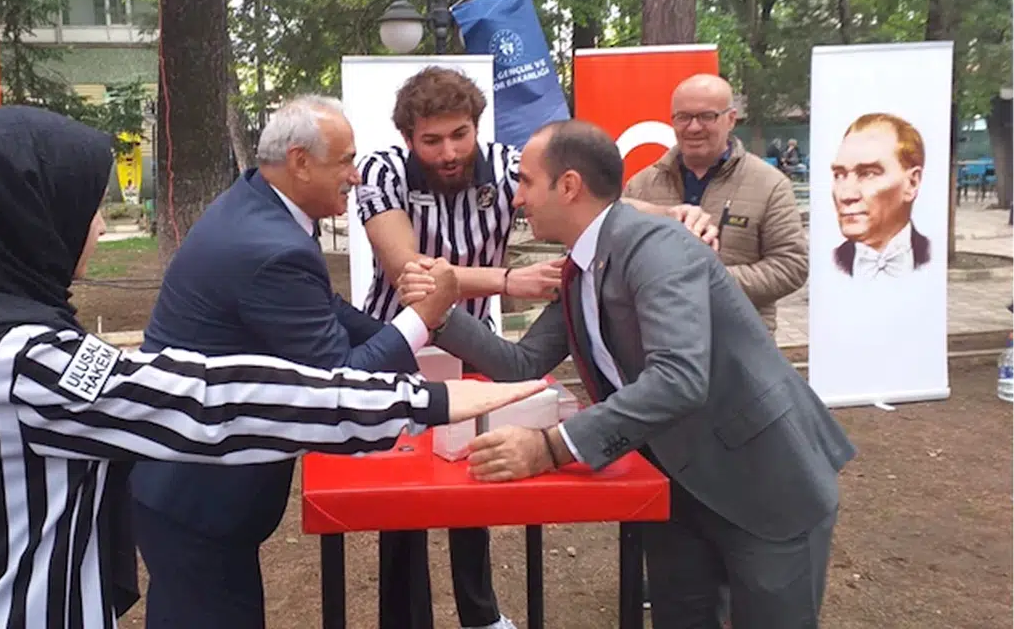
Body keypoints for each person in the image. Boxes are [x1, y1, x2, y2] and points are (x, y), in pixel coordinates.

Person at [0, 105, 546, 629]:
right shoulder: (25, 360)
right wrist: (422, 400)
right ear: (20, 223)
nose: (98, 227)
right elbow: (207, 402)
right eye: (81, 209)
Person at [403, 119, 856, 629]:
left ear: (569, 185)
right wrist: (439, 314)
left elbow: (678, 378)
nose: (517, 197)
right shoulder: (582, 266)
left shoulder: (655, 247)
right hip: (678, 487)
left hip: (765, 483)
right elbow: (522, 363)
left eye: (526, 181)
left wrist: (550, 447)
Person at [356, 66, 720, 629]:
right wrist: (508, 280)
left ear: (477, 126)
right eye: (432, 140)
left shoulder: (507, 166)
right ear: (408, 138)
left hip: (472, 337)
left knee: (473, 464)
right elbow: (412, 272)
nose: (449, 152)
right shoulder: (383, 170)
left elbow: (596, 202)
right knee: (403, 488)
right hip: (399, 338)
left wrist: (674, 214)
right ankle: (403, 619)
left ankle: (480, 614)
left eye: (460, 134)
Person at [128, 96, 467, 629]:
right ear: (300, 162)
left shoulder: (260, 205)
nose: (356, 176)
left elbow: (325, 310)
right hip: (197, 494)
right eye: (346, 161)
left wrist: (424, 338)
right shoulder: (269, 247)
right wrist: (424, 314)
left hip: (187, 481)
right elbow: (341, 379)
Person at [623, 74, 807, 335]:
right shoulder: (641, 186)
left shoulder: (770, 185)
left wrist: (708, 282)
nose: (693, 127)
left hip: (740, 344)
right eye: (683, 117)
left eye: (706, 116)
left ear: (731, 119)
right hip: (659, 342)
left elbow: (791, 267)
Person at [830, 112, 931, 280]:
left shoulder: (932, 256)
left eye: (868, 174)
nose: (846, 195)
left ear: (912, 183)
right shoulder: (831, 263)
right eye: (839, 175)